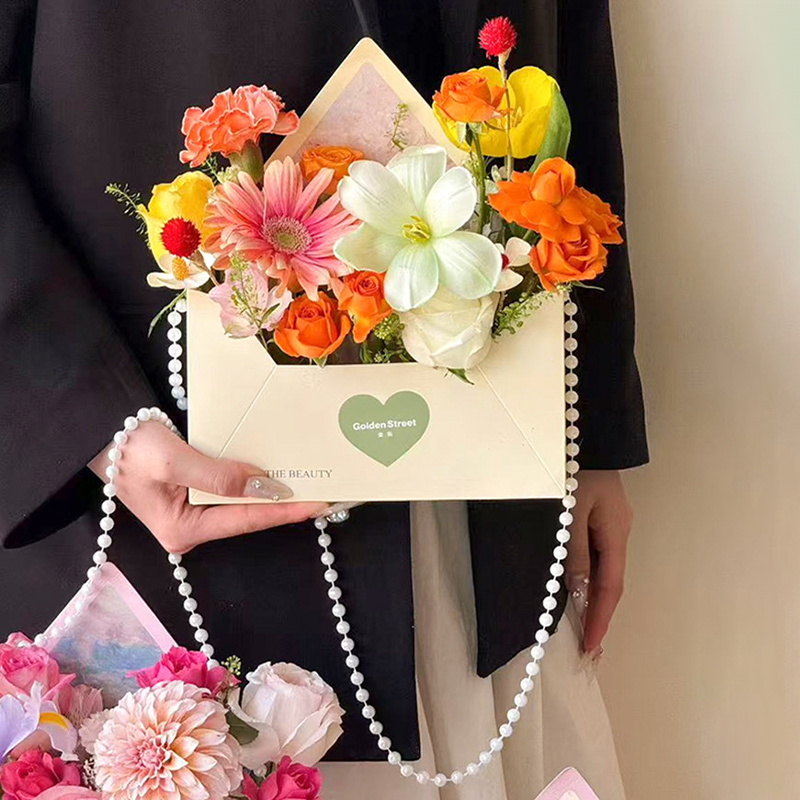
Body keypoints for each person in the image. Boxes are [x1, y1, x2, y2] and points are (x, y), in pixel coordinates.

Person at [0, 1, 647, 798]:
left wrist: (590, 425)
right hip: (166, 479)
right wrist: (90, 419)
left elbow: (571, 49)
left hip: (488, 486)